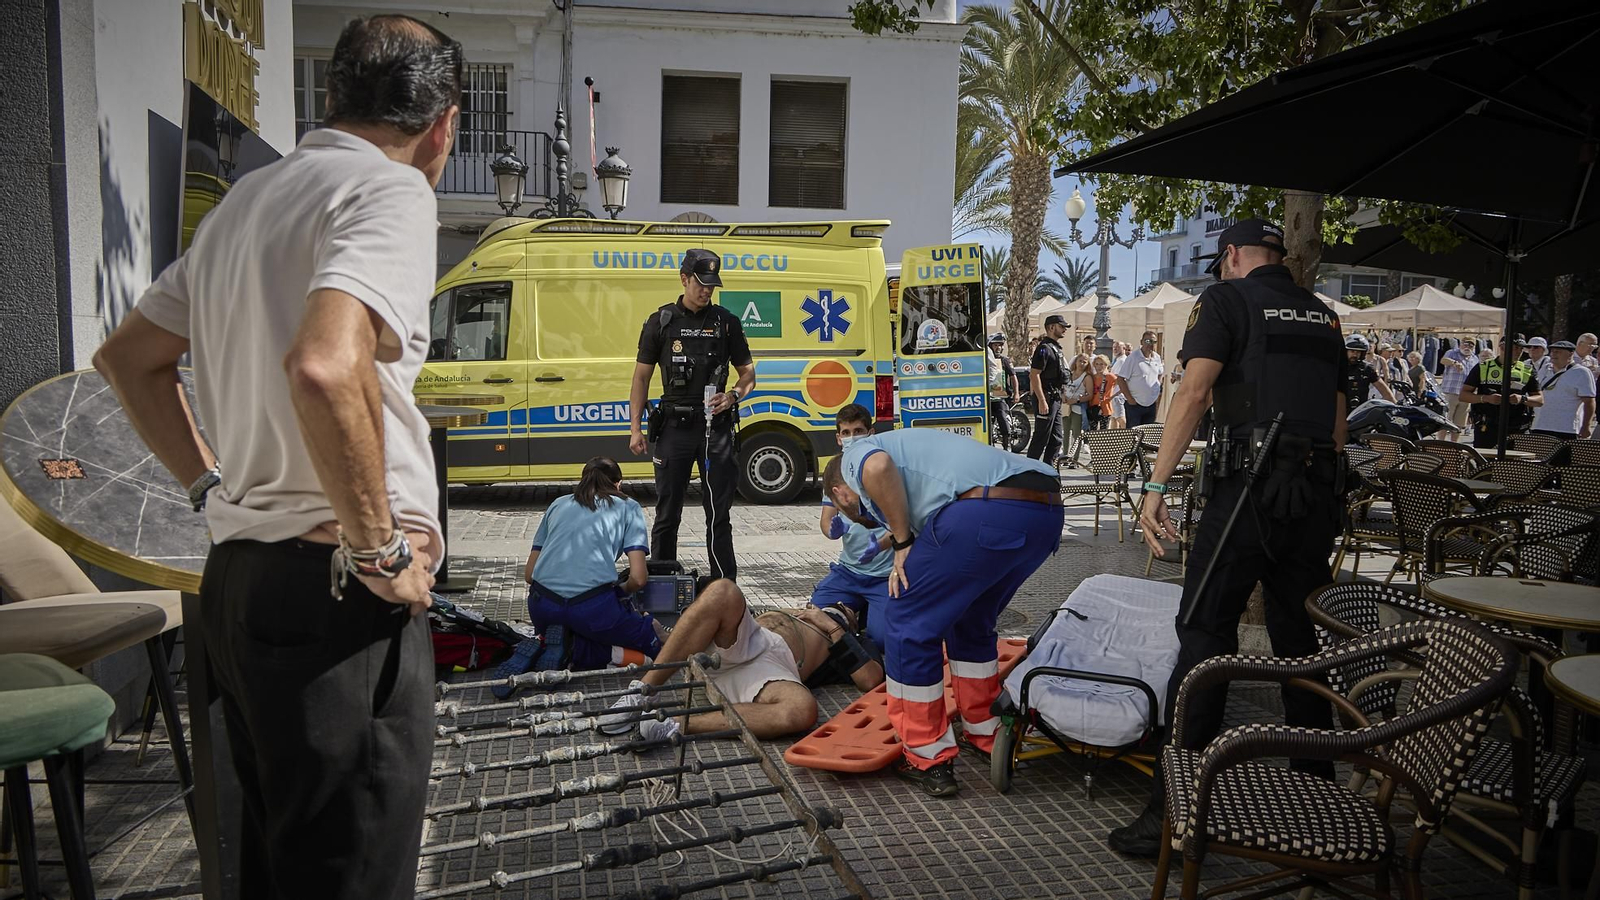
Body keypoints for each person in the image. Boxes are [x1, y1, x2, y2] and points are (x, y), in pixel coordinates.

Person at [91, 16, 460, 897]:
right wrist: (383, 551)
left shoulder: (241, 205)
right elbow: (327, 366)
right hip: (338, 596)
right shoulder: (394, 191)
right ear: (443, 123)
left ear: (331, 96)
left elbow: (127, 359)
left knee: (275, 868)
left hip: (239, 584)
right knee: (350, 876)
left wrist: (204, 481)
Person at [1109, 219, 1344, 856]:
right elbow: (1339, 423)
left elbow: (1193, 390)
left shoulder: (1226, 300)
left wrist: (1155, 485)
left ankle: (1174, 816)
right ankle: (1316, 800)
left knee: (1205, 638)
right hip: (1314, 495)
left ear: (1233, 256)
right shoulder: (1325, 317)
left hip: (1246, 492)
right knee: (1301, 643)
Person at [822, 429, 1063, 797]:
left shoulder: (855, 456)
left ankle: (926, 755)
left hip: (983, 512)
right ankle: (986, 731)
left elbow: (878, 467)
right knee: (971, 619)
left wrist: (901, 540)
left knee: (906, 619)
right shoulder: (914, 457)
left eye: (853, 511)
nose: (866, 517)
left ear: (840, 493)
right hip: (1043, 513)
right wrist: (895, 539)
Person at [603, 580, 883, 741]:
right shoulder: (802, 609)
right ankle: (641, 693)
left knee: (802, 709)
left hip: (768, 673)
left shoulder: (852, 641)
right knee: (724, 591)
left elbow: (870, 679)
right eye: (842, 605)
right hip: (743, 644)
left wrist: (834, 627)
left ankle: (672, 723)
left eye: (849, 611)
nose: (845, 607)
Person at [629, 248, 756, 581]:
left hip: (716, 430)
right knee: (667, 513)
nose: (707, 290)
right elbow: (641, 377)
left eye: (712, 285)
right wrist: (635, 429)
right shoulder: (661, 322)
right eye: (700, 283)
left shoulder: (726, 322)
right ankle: (662, 585)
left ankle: (724, 586)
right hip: (674, 428)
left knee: (718, 514)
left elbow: (748, 374)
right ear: (684, 279)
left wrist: (733, 396)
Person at [522, 458, 662, 697]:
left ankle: (551, 644)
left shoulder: (558, 504)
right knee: (657, 646)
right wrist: (620, 591)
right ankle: (576, 649)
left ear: (583, 480)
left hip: (542, 606)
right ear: (619, 484)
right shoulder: (629, 507)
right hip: (592, 609)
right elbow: (639, 578)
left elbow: (529, 574)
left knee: (577, 626)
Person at [812, 405, 892, 651]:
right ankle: (857, 610)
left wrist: (880, 545)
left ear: (871, 433)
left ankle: (866, 612)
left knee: (881, 641)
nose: (851, 437)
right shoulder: (836, 472)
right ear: (838, 438)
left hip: (884, 576)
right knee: (815, 616)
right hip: (848, 573)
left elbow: (905, 526)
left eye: (858, 430)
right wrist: (832, 530)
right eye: (846, 432)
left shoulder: (881, 470)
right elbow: (826, 520)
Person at [1460, 335, 1541, 451]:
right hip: (1487, 427)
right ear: (1502, 348)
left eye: (1521, 349)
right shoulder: (1483, 367)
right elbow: (1463, 395)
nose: (1519, 352)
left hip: (1517, 428)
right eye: (1516, 348)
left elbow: (1540, 400)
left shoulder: (1527, 370)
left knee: (1514, 465)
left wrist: (1522, 399)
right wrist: (1486, 398)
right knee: (1485, 463)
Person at [1528, 341, 1596, 441]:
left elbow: (1589, 401)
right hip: (1540, 426)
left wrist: (1586, 426)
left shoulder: (1581, 372)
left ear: (1570, 354)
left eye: (1558, 352)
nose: (1553, 354)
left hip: (1566, 429)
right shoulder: (1545, 369)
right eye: (1552, 351)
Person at [1025, 314, 1069, 465]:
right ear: (1051, 327)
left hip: (1055, 398)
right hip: (1046, 398)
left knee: (1056, 438)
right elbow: (1034, 375)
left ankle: (1048, 470)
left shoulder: (1055, 348)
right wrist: (1042, 400)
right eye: (1061, 326)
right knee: (1041, 437)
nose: (1064, 329)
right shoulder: (1044, 349)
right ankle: (1029, 472)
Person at [1117, 331, 1165, 428]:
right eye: (1147, 341)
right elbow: (1121, 378)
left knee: (1148, 435)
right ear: (1141, 342)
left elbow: (1159, 374)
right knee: (1134, 435)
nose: (1150, 344)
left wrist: (1156, 391)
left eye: (1153, 342)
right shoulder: (1133, 358)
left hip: (1151, 403)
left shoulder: (1157, 357)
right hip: (1135, 403)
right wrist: (1130, 399)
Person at [1439, 335, 1480, 441]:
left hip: (1465, 395)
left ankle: (1454, 445)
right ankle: (1439, 443)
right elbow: (1443, 360)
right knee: (1445, 420)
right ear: (1461, 344)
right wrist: (1454, 363)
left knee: (1459, 423)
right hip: (1450, 392)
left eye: (1471, 345)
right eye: (1465, 344)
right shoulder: (1452, 353)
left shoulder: (1475, 359)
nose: (1468, 347)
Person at [1341, 334, 1394, 410]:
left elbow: (1385, 392)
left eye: (1358, 352)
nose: (1355, 355)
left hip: (1359, 412)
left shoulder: (1367, 368)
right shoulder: (1337, 367)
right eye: (1352, 351)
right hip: (1338, 411)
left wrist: (1396, 408)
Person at [986, 333, 1016, 450]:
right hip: (986, 395)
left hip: (1000, 396)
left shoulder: (1004, 360)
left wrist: (1016, 393)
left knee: (1002, 416)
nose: (998, 347)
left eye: (1000, 345)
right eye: (995, 345)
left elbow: (1013, 376)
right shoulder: (984, 358)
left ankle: (1006, 443)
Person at [1060, 354, 1091, 466]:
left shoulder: (1087, 377)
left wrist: (1077, 400)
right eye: (1080, 361)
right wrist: (1063, 396)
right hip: (1066, 406)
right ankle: (1065, 455)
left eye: (1084, 362)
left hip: (1078, 407)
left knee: (1076, 434)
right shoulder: (1069, 374)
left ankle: (1075, 459)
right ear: (1076, 362)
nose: (1082, 363)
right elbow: (1062, 387)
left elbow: (1090, 394)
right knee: (1065, 432)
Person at [1084, 355, 1116, 434]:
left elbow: (1122, 384)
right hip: (1093, 407)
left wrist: (1111, 396)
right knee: (1092, 432)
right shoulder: (1092, 377)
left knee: (1103, 433)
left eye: (1102, 364)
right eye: (1097, 364)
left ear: (1106, 365)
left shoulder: (1110, 376)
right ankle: (1092, 446)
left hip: (1105, 408)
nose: (1099, 366)